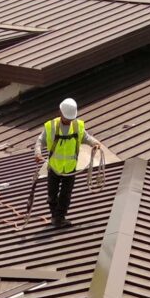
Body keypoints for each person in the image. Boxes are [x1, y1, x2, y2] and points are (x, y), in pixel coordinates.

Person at [34, 98, 103, 229]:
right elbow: (40, 141)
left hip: (70, 168)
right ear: (60, 113)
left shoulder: (77, 126)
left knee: (65, 195)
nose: (69, 121)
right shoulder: (51, 126)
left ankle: (59, 218)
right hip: (54, 167)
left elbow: (86, 137)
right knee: (52, 194)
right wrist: (37, 153)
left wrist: (94, 143)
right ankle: (55, 216)